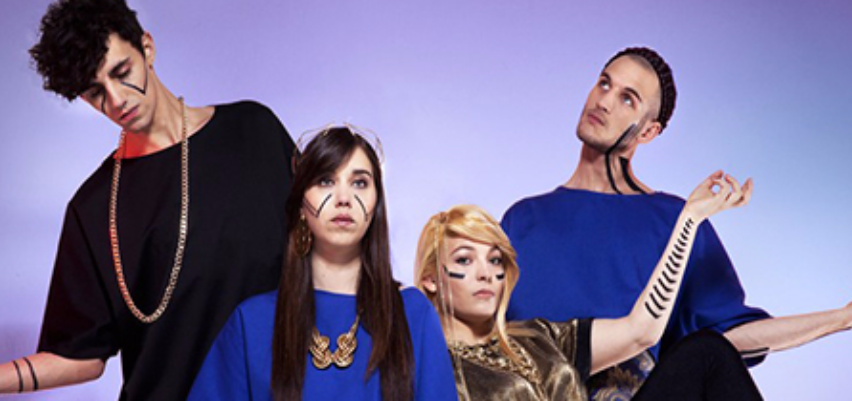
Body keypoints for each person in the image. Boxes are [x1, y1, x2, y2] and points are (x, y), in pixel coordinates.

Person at [500, 46, 852, 398]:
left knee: (708, 351)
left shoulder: (674, 220)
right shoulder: (522, 221)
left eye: (627, 99)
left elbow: (730, 339)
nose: (604, 101)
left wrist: (846, 317)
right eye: (604, 83)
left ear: (648, 131)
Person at [0, 0, 295, 398]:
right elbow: (80, 355)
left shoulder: (254, 132)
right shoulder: (94, 207)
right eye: (94, 92)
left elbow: (325, 251)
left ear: (147, 48)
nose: (116, 99)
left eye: (122, 72)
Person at [413, 171, 762, 400]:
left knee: (707, 352)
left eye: (494, 260)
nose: (486, 273)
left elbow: (641, 331)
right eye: (464, 260)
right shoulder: (427, 368)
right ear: (430, 279)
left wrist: (688, 220)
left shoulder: (537, 337)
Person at [188, 126, 457, 401]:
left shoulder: (413, 315)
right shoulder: (252, 322)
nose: (344, 199)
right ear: (301, 206)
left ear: (376, 204)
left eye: (360, 183)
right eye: (326, 181)